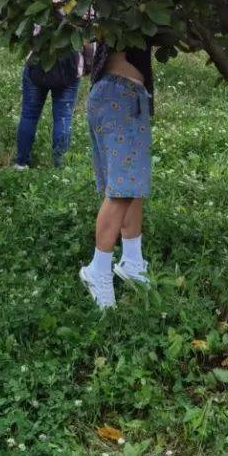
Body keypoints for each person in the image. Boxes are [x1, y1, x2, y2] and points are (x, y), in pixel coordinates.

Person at [80, 38, 154, 310]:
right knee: (122, 190)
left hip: (122, 95)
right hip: (119, 95)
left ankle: (132, 262)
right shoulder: (124, 2)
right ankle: (98, 269)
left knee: (133, 186)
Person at [13, 2, 84, 170]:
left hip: (38, 62)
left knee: (29, 115)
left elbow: (24, 31)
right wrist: (87, 63)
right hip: (68, 65)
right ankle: (60, 166)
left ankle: (21, 162)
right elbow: (87, 37)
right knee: (63, 118)